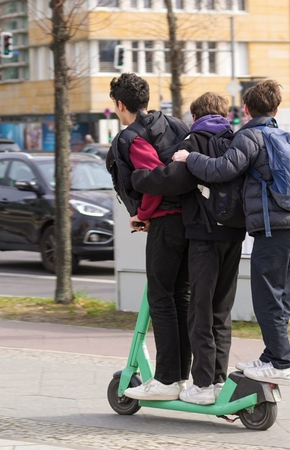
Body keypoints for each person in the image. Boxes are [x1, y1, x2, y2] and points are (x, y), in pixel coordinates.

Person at [172, 80, 290, 386]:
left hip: (273, 226)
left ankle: (282, 362)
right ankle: (271, 357)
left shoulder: (251, 136)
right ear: (277, 109)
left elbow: (222, 169)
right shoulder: (286, 136)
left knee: (266, 296)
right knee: (281, 296)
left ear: (246, 109)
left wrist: (189, 158)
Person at [132, 92, 246, 405]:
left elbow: (173, 179)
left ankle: (202, 385)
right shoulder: (235, 140)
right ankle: (219, 379)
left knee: (199, 310)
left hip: (203, 235)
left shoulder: (194, 141)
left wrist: (140, 177)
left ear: (195, 116)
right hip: (234, 235)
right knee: (221, 310)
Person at [108, 73, 191, 401]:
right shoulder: (175, 124)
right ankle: (182, 376)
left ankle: (167, 378)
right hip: (191, 222)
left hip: (165, 224)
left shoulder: (132, 136)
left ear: (120, 104)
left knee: (161, 298)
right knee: (180, 298)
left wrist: (141, 216)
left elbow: (154, 178)